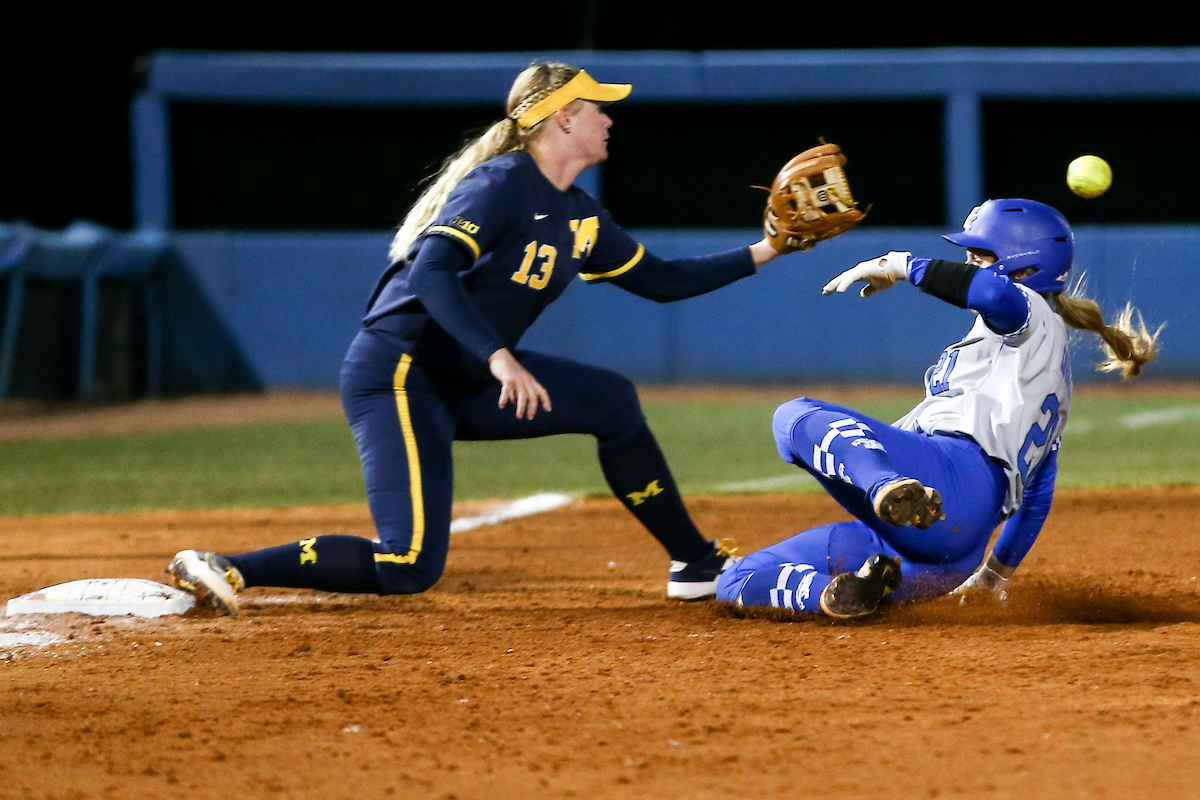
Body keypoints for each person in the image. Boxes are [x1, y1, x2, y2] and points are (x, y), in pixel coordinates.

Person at [167, 62, 789, 615]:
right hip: (401, 372)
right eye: (598, 107)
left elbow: (664, 280)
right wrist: (499, 357)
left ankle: (695, 563)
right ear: (563, 118)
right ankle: (230, 565)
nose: (608, 118)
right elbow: (431, 270)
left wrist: (772, 248)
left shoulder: (578, 215)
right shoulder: (501, 184)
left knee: (612, 403)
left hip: (462, 375)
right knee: (410, 563)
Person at [716, 198, 1161, 619]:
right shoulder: (1042, 376)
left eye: (981, 253)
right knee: (736, 580)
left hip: (952, 479)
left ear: (1025, 266)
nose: (968, 262)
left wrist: (899, 264)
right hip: (947, 558)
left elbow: (990, 293)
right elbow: (1037, 497)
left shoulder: (1031, 314)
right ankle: (841, 594)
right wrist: (991, 577)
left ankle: (887, 486)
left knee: (793, 417)